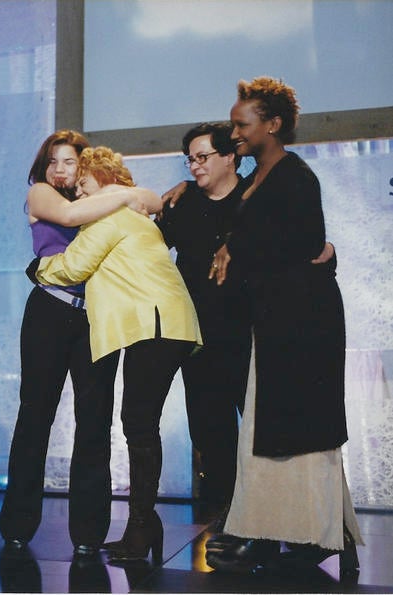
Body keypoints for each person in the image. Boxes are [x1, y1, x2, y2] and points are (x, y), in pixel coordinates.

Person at [205, 77, 362, 576]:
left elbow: (306, 245)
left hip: (301, 325)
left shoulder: (294, 177)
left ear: (272, 125)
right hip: (276, 320)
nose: (235, 132)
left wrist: (239, 250)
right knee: (274, 429)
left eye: (242, 124)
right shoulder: (259, 177)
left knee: (297, 431)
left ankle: (308, 532)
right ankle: (285, 531)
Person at [33, 146, 202, 565]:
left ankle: (141, 526)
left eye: (84, 184)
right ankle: (145, 523)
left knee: (139, 427)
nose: (79, 194)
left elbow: (73, 267)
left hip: (155, 326)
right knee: (140, 425)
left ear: (103, 181)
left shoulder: (109, 217)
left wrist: (37, 269)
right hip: (165, 325)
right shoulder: (133, 216)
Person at [0, 131, 161, 560]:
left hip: (96, 314)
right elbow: (69, 217)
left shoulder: (101, 197)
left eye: (69, 161)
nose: (59, 169)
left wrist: (122, 193)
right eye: (52, 161)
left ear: (84, 165)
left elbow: (154, 201)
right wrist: (126, 196)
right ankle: (16, 524)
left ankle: (89, 531)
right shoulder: (43, 194)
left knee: (95, 421)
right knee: (35, 415)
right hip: (49, 312)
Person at [155, 122, 252, 519]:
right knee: (210, 433)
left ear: (230, 157)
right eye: (190, 159)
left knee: (263, 430)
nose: (194, 167)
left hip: (250, 335)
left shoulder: (256, 198)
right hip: (197, 338)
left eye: (203, 157)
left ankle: (270, 521)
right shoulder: (183, 203)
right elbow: (150, 246)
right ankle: (226, 520)